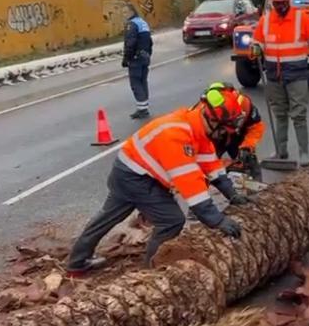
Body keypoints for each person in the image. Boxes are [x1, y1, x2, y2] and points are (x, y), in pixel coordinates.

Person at [67, 84, 251, 276]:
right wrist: (217, 220)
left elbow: (211, 165)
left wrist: (232, 194)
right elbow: (192, 187)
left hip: (130, 172)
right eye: (224, 130)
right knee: (171, 221)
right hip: (135, 177)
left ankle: (77, 261)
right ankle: (151, 272)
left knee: (107, 217)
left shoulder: (196, 128)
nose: (224, 135)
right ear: (213, 120)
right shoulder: (176, 136)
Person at [252, 0, 309, 167]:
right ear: (272, 3)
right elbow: (257, 41)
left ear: (289, 1)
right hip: (274, 76)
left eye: (283, 2)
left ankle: (304, 153)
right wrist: (255, 48)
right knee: (279, 114)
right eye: (276, 2)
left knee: (298, 115)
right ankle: (281, 152)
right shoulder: (265, 21)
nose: (280, 5)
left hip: (296, 75)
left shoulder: (300, 19)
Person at [209, 83, 265, 180]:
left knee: (248, 159)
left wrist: (247, 145)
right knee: (208, 168)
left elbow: (256, 127)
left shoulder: (244, 104)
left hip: (237, 136)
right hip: (214, 139)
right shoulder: (205, 117)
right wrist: (225, 164)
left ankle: (256, 186)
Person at [124, 8, 153, 119]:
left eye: (125, 11)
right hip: (145, 57)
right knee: (143, 81)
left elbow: (130, 43)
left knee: (136, 83)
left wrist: (127, 58)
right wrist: (148, 54)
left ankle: (142, 110)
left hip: (136, 58)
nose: (124, 14)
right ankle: (144, 107)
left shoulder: (132, 25)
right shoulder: (143, 23)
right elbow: (150, 42)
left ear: (131, 12)